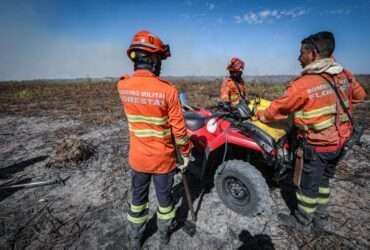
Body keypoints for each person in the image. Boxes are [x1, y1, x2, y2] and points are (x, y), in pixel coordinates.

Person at [256, 31, 366, 231]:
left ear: (313, 54)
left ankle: (303, 220)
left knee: (308, 185)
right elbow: (359, 96)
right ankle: (321, 217)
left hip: (318, 145)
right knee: (323, 180)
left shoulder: (304, 84)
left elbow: (279, 109)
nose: (299, 58)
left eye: (302, 53)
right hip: (340, 142)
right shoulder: (344, 74)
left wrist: (261, 114)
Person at [117, 30, 192, 249]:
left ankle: (135, 237)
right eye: (159, 58)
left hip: (138, 159)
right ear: (152, 59)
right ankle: (163, 235)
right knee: (165, 201)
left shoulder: (122, 86)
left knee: (137, 200)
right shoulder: (167, 90)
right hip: (163, 161)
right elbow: (179, 130)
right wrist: (185, 154)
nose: (160, 63)